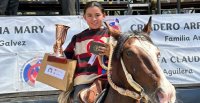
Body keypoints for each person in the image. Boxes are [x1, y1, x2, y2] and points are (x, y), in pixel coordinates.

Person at [58, 1, 121, 103]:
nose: (94, 19)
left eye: (97, 15)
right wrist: (58, 52)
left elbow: (123, 58)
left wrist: (111, 53)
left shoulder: (112, 35)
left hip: (109, 80)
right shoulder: (78, 38)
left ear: (104, 15)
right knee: (79, 100)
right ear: (84, 17)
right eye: (89, 16)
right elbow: (67, 59)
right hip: (84, 81)